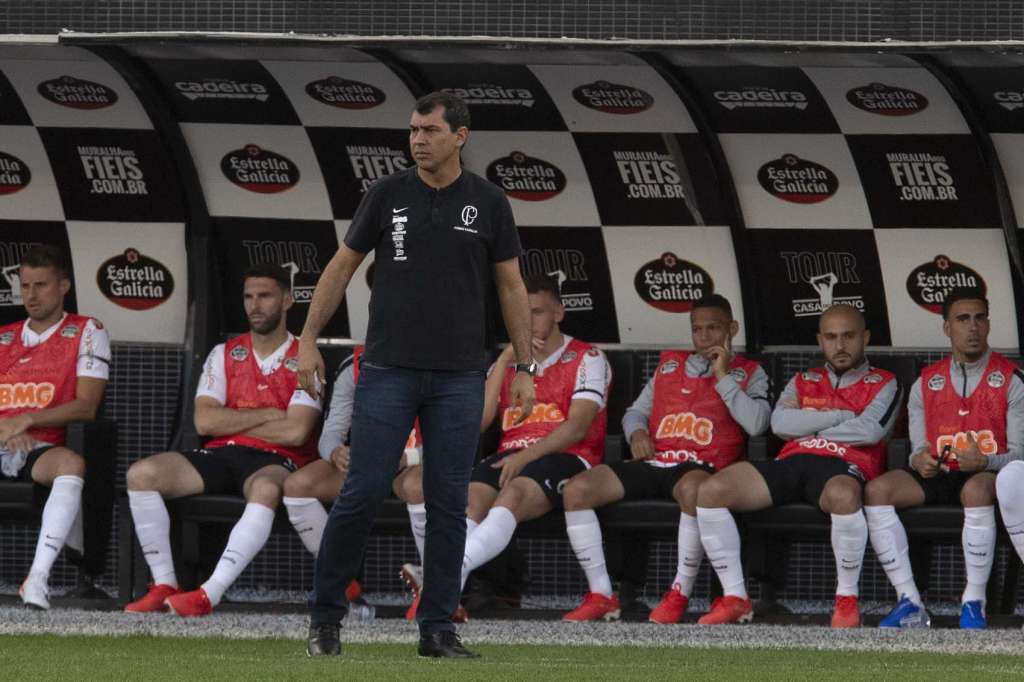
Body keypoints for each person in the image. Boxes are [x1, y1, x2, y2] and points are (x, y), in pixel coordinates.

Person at [298, 91, 535, 659]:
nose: (418, 140)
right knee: (360, 491)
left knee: (448, 503)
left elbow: (511, 285)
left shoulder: (489, 200)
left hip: (460, 375)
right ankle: (325, 619)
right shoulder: (387, 193)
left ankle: (437, 629)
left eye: (430, 131)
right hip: (388, 370)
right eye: (413, 130)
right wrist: (307, 338)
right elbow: (341, 267)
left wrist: (524, 366)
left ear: (460, 136)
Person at [124, 263, 322, 616]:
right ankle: (165, 584)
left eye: (265, 296)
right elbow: (204, 421)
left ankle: (208, 594)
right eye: (248, 297)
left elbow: (297, 431)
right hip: (221, 454)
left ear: (288, 300)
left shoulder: (308, 361)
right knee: (141, 474)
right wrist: (270, 414)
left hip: (278, 459)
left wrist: (231, 422)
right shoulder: (223, 353)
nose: (254, 305)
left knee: (266, 489)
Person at [559, 294, 770, 623]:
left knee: (694, 492)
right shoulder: (669, 366)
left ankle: (679, 592)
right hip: (655, 461)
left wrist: (722, 375)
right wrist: (637, 434)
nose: (704, 337)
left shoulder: (750, 372)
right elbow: (634, 413)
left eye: (713, 328)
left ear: (732, 329)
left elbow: (757, 424)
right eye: (697, 329)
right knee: (576, 490)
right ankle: (601, 594)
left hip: (702, 466)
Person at [696, 304, 901, 628]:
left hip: (845, 463)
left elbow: (869, 430)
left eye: (848, 336)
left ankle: (846, 600)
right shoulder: (803, 379)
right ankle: (735, 597)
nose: (840, 345)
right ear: (820, 340)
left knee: (844, 495)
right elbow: (779, 424)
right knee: (711, 490)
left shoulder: (885, 381)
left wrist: (807, 426)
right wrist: (841, 417)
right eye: (831, 337)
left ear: (865, 337)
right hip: (793, 459)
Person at [439, 273, 610, 615]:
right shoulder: (506, 363)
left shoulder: (587, 357)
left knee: (514, 492)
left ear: (558, 313)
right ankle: (446, 594)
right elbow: (479, 422)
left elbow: (577, 427)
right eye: (519, 314)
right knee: (468, 500)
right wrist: (506, 360)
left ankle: (441, 577)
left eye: (537, 312)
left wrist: (526, 456)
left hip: (569, 456)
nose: (527, 322)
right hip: (511, 454)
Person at [865, 291, 1023, 629]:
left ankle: (973, 601)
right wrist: (919, 459)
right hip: (939, 474)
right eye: (963, 319)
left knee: (975, 491)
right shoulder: (926, 382)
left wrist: (985, 463)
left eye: (979, 318)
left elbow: (1020, 456)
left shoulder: (1012, 379)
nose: (973, 327)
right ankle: (909, 600)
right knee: (877, 491)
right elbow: (917, 448)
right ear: (947, 328)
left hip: (989, 475)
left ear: (989, 324)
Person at [0, 245, 109, 610]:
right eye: (25, 286)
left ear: (63, 286)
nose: (31, 295)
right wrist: (6, 426)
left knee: (70, 464)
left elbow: (87, 406)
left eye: (41, 285)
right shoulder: (4, 337)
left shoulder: (86, 330)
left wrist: (27, 419)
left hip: (40, 445)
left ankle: (37, 578)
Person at [282, 343, 423, 610]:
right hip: (366, 464)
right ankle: (342, 580)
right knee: (298, 485)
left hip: (415, 461)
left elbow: (452, 440)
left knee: (418, 486)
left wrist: (407, 458)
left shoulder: (435, 360)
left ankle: (435, 590)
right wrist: (336, 452)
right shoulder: (355, 364)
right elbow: (331, 432)